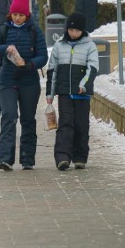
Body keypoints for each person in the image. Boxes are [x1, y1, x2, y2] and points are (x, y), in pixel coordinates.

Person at [0, 0, 48, 171]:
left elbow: (43, 56)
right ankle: (5, 158)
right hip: (7, 80)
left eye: (21, 15)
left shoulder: (35, 31)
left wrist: (29, 64)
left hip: (29, 81)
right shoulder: (3, 30)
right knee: (9, 116)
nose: (17, 18)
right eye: (14, 14)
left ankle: (27, 158)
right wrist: (5, 49)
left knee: (28, 120)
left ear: (27, 15)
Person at [46, 12, 99, 170]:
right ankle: (62, 156)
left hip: (82, 94)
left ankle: (80, 156)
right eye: (70, 30)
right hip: (65, 93)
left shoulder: (90, 46)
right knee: (65, 124)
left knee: (81, 125)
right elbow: (52, 71)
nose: (73, 33)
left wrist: (84, 84)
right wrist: (50, 93)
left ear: (82, 31)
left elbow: (93, 68)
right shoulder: (59, 45)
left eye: (76, 30)